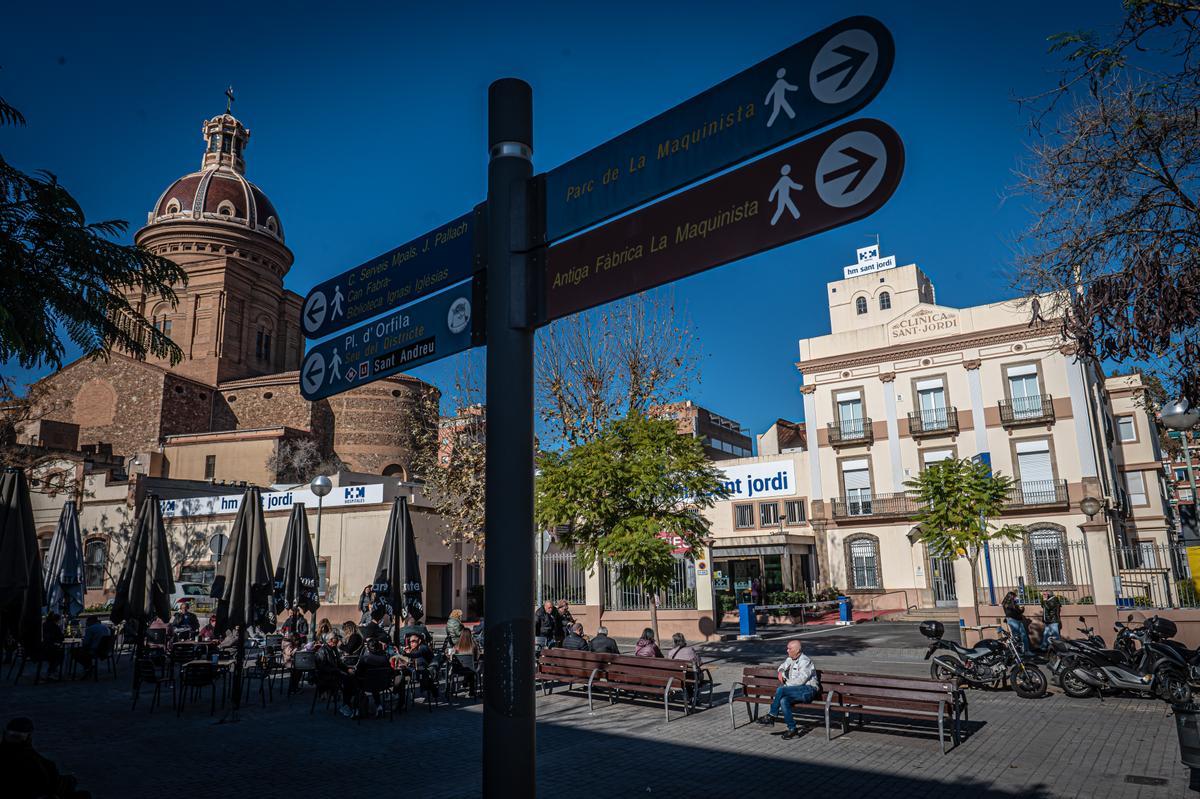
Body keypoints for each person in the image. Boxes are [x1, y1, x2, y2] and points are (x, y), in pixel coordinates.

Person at [1, 717, 89, 799]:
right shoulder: (30, 759)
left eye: (17, 736)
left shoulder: (32, 757)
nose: (14, 739)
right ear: (29, 737)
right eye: (14, 736)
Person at [757, 639, 820, 739]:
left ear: (797, 650)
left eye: (789, 648)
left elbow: (801, 681)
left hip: (808, 690)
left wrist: (786, 685)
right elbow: (781, 666)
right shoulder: (790, 659)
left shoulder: (805, 661)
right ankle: (792, 729)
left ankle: (772, 715)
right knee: (783, 700)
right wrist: (781, 671)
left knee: (781, 690)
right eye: (787, 648)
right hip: (796, 691)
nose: (787, 650)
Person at [448, 629, 480, 697]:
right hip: (470, 669)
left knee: (465, 667)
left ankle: (453, 689)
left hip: (458, 669)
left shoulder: (456, 646)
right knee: (471, 669)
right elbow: (477, 657)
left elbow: (451, 657)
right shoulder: (473, 645)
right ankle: (471, 691)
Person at [40, 613, 65, 679]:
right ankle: (51, 671)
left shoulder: (44, 625)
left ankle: (52, 670)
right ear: (57, 620)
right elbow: (61, 637)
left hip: (42, 648)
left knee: (54, 654)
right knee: (60, 654)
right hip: (48, 649)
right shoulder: (54, 626)